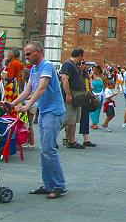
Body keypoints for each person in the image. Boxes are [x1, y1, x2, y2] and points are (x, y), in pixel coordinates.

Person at [8, 41, 67, 199]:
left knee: (48, 150)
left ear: (39, 52)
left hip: (53, 112)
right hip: (45, 112)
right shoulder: (34, 69)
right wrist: (12, 104)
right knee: (45, 150)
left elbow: (41, 88)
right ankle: (49, 185)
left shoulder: (46, 66)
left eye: (29, 54)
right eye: (25, 54)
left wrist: (27, 106)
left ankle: (58, 185)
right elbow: (28, 89)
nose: (26, 57)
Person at [59, 48, 86, 149]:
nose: (82, 59)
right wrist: (68, 94)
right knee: (67, 119)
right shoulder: (68, 64)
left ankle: (71, 141)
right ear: (79, 55)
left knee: (73, 121)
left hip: (76, 98)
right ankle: (51, 137)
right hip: (71, 96)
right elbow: (65, 79)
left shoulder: (72, 65)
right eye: (82, 56)